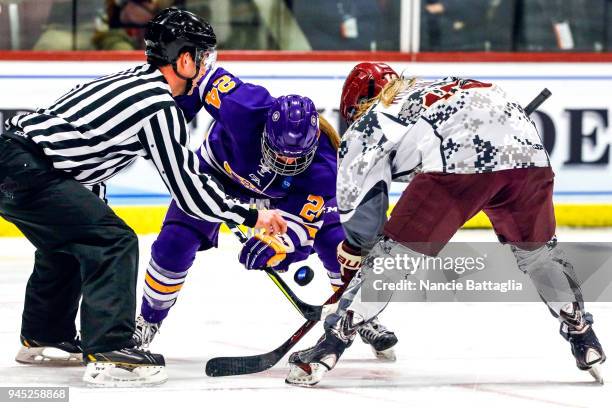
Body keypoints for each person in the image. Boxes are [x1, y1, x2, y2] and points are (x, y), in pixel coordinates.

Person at [0, 7, 285, 387]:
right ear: (184, 59)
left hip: (16, 162)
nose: (206, 66)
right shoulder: (157, 104)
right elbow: (189, 190)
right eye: (204, 57)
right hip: (27, 169)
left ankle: (45, 337)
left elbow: (80, 155)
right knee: (113, 241)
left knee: (68, 241)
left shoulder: (130, 80)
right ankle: (111, 350)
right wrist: (250, 216)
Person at [284, 63, 606, 386]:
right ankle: (583, 335)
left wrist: (355, 248)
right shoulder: (441, 89)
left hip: (461, 160)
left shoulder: (371, 119)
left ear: (356, 105)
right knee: (540, 255)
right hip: (530, 156)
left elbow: (361, 210)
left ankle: (331, 345)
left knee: (390, 258)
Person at [131, 61, 399, 361]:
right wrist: (173, 121)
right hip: (216, 175)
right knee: (175, 242)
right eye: (279, 152)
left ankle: (358, 314)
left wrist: (277, 249)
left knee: (338, 239)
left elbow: (300, 230)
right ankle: (148, 321)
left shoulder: (323, 169)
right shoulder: (242, 105)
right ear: (264, 133)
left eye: (296, 157)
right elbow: (196, 75)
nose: (286, 162)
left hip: (282, 197)